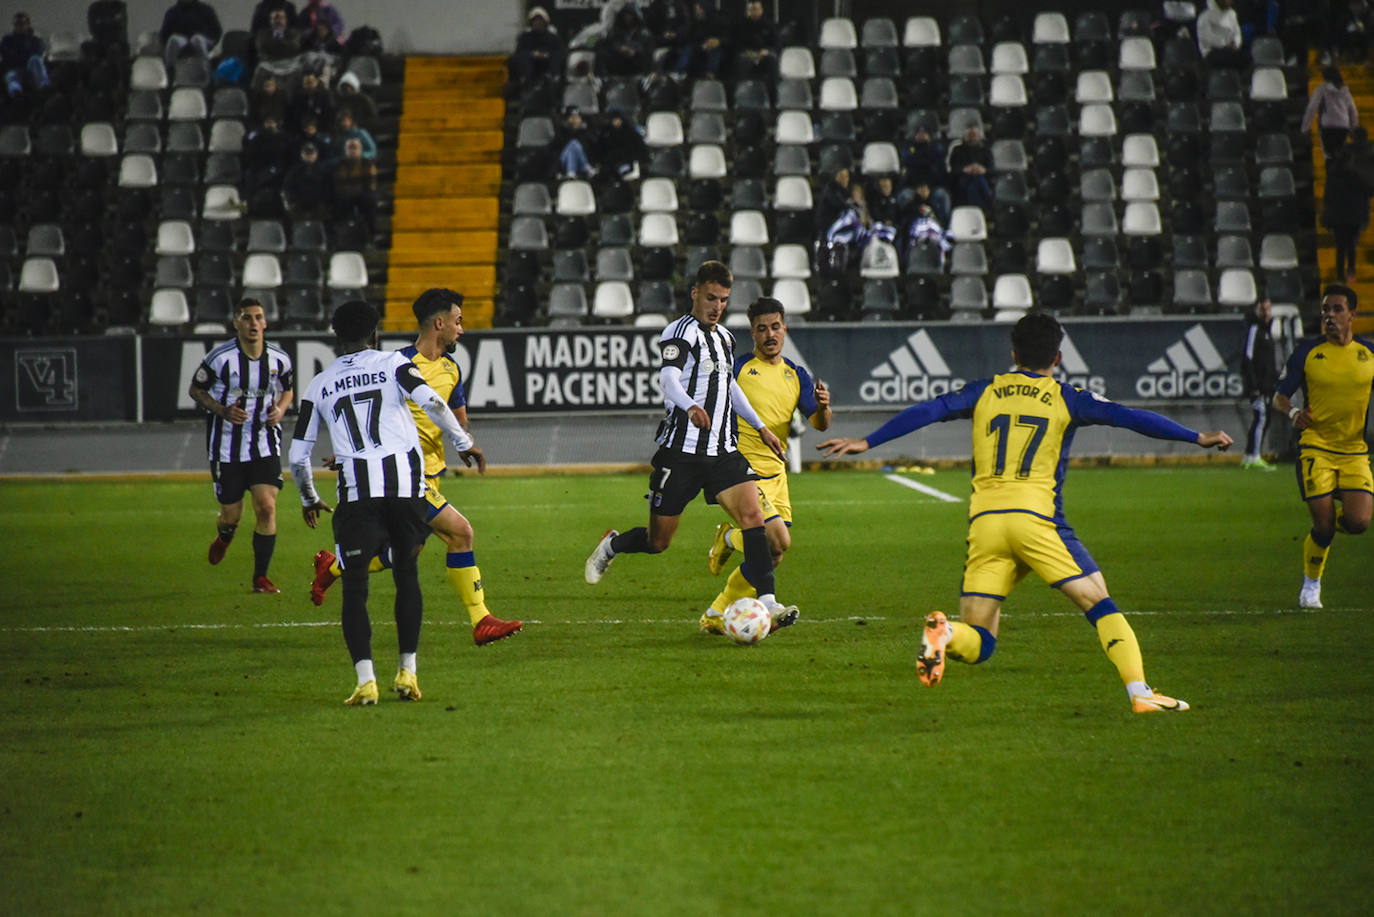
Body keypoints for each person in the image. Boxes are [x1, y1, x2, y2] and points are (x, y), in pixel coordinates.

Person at [818, 312, 1235, 714]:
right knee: (1099, 601)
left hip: (986, 526)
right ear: (1057, 357)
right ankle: (1141, 692)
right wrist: (1196, 436)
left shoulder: (985, 390)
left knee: (980, 641)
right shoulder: (1067, 397)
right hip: (1036, 521)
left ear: (1013, 354)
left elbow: (931, 409)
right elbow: (1129, 417)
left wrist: (868, 442)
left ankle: (946, 634)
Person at [583, 261, 801, 633]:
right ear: (695, 293)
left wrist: (761, 426)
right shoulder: (679, 332)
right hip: (680, 454)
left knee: (754, 518)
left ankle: (768, 601)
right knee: (658, 541)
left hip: (722, 451)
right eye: (712, 297)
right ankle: (613, 546)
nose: (717, 306)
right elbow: (668, 379)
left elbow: (730, 386)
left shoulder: (725, 339)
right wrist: (690, 406)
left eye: (724, 300)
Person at [290, 300, 483, 705]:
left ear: (336, 338)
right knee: (406, 576)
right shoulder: (393, 363)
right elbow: (432, 402)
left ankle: (365, 682)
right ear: (374, 333)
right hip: (402, 490)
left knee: (355, 586)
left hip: (356, 496)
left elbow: (297, 455)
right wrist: (463, 442)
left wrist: (309, 496)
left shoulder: (319, 385)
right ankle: (408, 674)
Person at [309, 288, 523, 647]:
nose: (462, 329)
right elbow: (367, 415)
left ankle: (332, 567)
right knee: (461, 533)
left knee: (405, 553)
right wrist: (352, 451)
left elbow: (456, 418)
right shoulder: (395, 364)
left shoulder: (452, 369)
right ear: (439, 323)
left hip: (432, 476)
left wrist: (462, 441)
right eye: (458, 321)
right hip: (404, 477)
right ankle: (481, 619)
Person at [700, 297, 830, 634]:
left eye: (775, 327)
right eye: (762, 329)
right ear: (753, 334)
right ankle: (736, 552)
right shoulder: (739, 369)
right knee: (779, 541)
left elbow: (819, 423)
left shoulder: (796, 374)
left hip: (776, 476)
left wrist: (824, 408)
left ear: (784, 329)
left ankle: (716, 610)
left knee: (773, 555)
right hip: (740, 472)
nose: (770, 334)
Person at [1272, 284, 1374, 609]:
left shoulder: (1368, 354)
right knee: (1324, 524)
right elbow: (1279, 396)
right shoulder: (1307, 353)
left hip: (1355, 451)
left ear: (1353, 315)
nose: (1329, 316)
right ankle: (1311, 584)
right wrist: (1293, 413)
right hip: (1316, 448)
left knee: (1359, 523)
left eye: (1337, 310)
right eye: (1325, 310)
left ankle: (1324, 530)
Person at [188, 297, 295, 594]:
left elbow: (287, 390)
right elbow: (196, 389)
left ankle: (260, 577)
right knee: (231, 515)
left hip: (264, 443)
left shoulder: (279, 359)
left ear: (265, 323)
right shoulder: (220, 358)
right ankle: (224, 536)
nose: (253, 324)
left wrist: (282, 409)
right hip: (226, 448)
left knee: (266, 507)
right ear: (236, 322)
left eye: (258, 317)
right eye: (246, 318)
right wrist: (222, 410)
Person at [1321, 142, 1373, 283]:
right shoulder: (1356, 176)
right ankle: (1351, 271)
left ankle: (1340, 275)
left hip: (1339, 217)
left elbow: (1327, 198)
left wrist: (1327, 216)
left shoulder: (1332, 176)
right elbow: (1369, 191)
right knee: (1351, 246)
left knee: (1340, 247)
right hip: (1353, 216)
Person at [1240, 298, 1279, 471]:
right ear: (1257, 310)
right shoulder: (1255, 329)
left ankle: (1249, 455)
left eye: (1268, 309)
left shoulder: (1267, 331)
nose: (1266, 313)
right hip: (1258, 386)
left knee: (1262, 418)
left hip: (1267, 384)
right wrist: (1253, 385)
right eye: (1263, 309)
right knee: (1261, 418)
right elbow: (1247, 358)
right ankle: (1254, 456)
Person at [1301, 66, 1360, 159]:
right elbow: (1353, 111)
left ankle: (1332, 171)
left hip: (1328, 126)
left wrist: (1305, 127)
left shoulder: (1322, 89)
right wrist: (1354, 128)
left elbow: (1312, 108)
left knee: (1329, 156)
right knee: (1339, 155)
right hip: (1343, 126)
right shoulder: (1345, 91)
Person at [330, 135, 377, 235]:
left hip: (362, 194)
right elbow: (338, 183)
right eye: (350, 148)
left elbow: (370, 183)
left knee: (370, 200)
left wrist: (354, 187)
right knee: (338, 201)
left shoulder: (367, 163)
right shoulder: (339, 164)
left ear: (360, 149)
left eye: (355, 147)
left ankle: (370, 235)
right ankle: (341, 236)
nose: (352, 150)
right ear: (345, 150)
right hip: (346, 195)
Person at [160, 0, 223, 73]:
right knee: (173, 40)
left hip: (203, 40)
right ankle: (170, 72)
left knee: (197, 39)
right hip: (182, 41)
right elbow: (164, 33)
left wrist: (212, 41)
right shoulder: (172, 12)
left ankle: (206, 70)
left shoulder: (205, 9)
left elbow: (217, 30)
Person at [510, 5, 563, 90]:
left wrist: (546, 54)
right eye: (535, 20)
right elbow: (519, 52)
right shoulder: (525, 37)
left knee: (557, 57)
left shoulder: (553, 38)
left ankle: (553, 80)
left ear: (545, 22)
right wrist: (532, 54)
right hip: (530, 65)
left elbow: (559, 52)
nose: (538, 22)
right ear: (531, 22)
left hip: (548, 63)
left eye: (540, 20)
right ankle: (526, 83)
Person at [946, 124, 993, 213]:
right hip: (962, 179)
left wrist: (983, 170)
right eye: (970, 136)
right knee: (973, 183)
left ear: (980, 137)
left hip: (981, 179)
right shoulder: (957, 150)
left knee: (977, 181)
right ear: (964, 137)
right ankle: (982, 210)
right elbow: (952, 169)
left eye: (974, 135)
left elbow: (992, 170)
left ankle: (975, 212)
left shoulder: (986, 151)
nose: (972, 138)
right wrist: (965, 169)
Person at [2, 12, 50, 98]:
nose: (19, 27)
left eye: (22, 24)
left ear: (28, 25)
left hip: (31, 69)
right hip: (15, 68)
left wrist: (27, 41)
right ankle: (16, 94)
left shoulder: (36, 40)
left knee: (35, 59)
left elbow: (38, 54)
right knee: (12, 76)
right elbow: (7, 56)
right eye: (17, 24)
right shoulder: (7, 40)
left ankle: (44, 88)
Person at [282, 141, 332, 218]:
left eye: (312, 154)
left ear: (316, 155)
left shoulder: (323, 170)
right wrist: (294, 201)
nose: (309, 156)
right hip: (299, 203)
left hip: (318, 203)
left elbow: (327, 188)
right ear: (302, 155)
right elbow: (288, 187)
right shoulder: (294, 170)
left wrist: (323, 201)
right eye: (307, 154)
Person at [1197, 0, 1249, 68]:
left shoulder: (1232, 14)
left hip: (1231, 51)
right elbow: (1208, 38)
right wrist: (1225, 43)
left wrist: (1236, 43)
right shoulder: (1204, 17)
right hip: (1212, 53)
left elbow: (1237, 32)